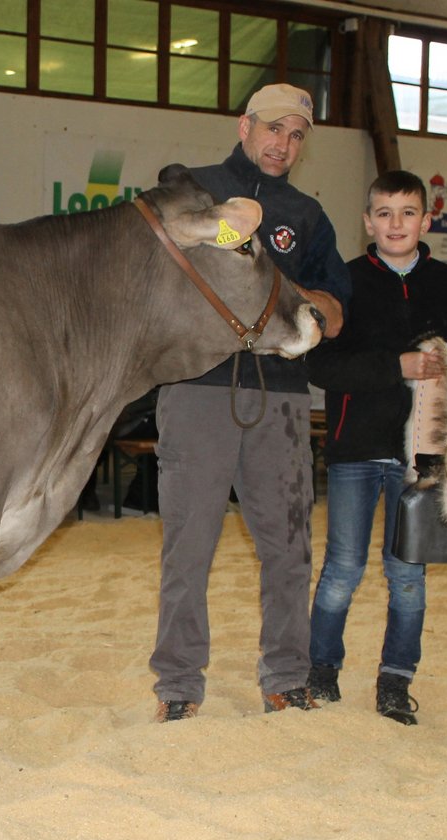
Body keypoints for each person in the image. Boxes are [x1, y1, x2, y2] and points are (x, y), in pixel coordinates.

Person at [151, 84, 349, 722]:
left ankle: (287, 677)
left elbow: (337, 312)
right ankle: (178, 687)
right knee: (189, 547)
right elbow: (156, 264)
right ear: (245, 127)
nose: (283, 145)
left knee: (288, 547)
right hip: (195, 387)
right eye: (273, 130)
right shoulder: (192, 188)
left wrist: (283, 297)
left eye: (296, 136)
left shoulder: (309, 214)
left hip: (282, 395)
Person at [304, 170, 447, 726]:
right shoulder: (345, 282)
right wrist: (392, 367)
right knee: (342, 569)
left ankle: (395, 682)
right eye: (383, 213)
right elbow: (321, 366)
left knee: (408, 576)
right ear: (367, 221)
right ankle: (322, 671)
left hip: (423, 458)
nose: (395, 223)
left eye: (407, 213)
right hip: (356, 450)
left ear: (426, 220)